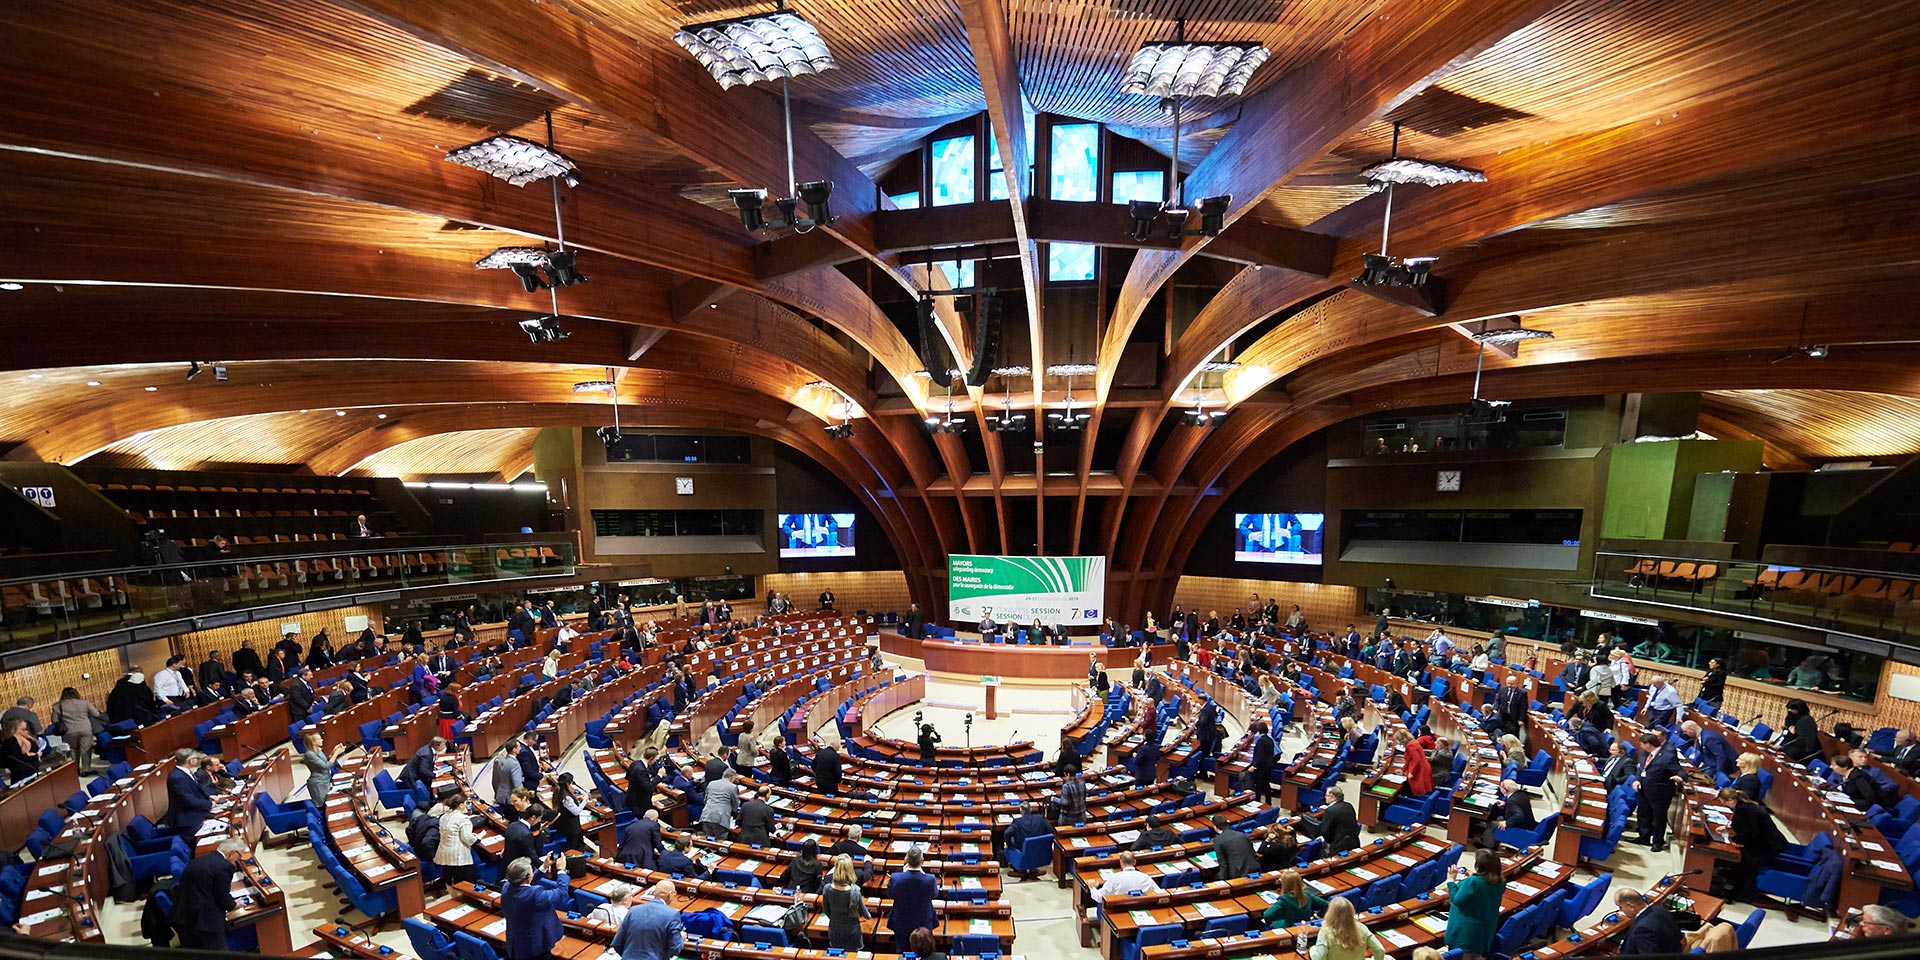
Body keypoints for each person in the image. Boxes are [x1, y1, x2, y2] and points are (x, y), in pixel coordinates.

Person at [171, 837, 249, 949]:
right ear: (232, 853)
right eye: (239, 856)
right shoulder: (224, 867)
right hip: (204, 922)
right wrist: (234, 905)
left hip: (183, 915)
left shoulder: (199, 859)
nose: (238, 860)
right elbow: (222, 897)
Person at [1718, 787, 1785, 900]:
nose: (1725, 806)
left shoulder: (1745, 809)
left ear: (1730, 800)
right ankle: (1733, 880)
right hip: (1762, 841)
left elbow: (1751, 831)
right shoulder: (1744, 805)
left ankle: (1742, 894)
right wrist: (1728, 828)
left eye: (1724, 803)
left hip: (1768, 845)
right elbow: (1746, 825)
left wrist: (1736, 840)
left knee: (1746, 862)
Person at [501, 856, 570, 960]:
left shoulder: (507, 887)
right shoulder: (535, 895)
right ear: (528, 876)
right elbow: (561, 893)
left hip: (516, 944)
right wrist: (561, 870)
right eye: (531, 869)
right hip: (535, 948)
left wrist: (544, 867)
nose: (533, 870)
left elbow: (525, 884)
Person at [1445, 849, 1505, 960]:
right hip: (1484, 930)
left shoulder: (1473, 882)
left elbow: (1457, 900)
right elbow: (1484, 889)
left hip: (1466, 932)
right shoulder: (1500, 881)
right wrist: (1473, 876)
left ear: (1478, 865)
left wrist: (1450, 880)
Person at [1632, 731, 1681, 852]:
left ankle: (1657, 841)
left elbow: (1680, 771)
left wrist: (1680, 778)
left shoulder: (1668, 756)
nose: (1641, 747)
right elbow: (1642, 768)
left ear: (1648, 744)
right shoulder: (1645, 753)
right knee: (1643, 813)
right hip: (1643, 789)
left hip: (1660, 793)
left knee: (1658, 818)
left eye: (1642, 744)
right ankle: (1644, 837)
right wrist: (1637, 780)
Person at [885, 846, 937, 953]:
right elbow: (934, 894)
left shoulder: (895, 878)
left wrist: (903, 873)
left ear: (907, 860)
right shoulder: (930, 879)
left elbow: (890, 894)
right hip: (923, 921)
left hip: (901, 921)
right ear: (922, 861)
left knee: (903, 952)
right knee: (924, 952)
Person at [1310, 896, 1388, 960]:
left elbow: (1318, 958)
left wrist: (1312, 950)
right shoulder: (1362, 928)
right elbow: (1380, 950)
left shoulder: (1326, 932)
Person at [48, 687, 105, 773]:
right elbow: (96, 714)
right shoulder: (85, 703)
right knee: (86, 749)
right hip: (85, 729)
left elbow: (54, 720)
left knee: (74, 750)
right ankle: (86, 770)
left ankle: (75, 769)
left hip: (69, 731)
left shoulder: (57, 706)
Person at [1615, 887, 1682, 955]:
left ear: (1631, 906)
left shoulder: (1642, 929)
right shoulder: (1661, 910)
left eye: (1620, 907)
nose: (1621, 910)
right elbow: (1680, 937)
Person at [824, 855, 871, 950]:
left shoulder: (827, 888)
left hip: (835, 930)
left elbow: (826, 911)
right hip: (852, 932)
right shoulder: (855, 891)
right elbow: (866, 915)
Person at [165, 749, 214, 835]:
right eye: (196, 758)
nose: (197, 760)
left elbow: (195, 790)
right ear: (190, 761)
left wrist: (209, 796)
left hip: (195, 813)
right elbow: (189, 800)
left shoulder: (185, 772)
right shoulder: (178, 777)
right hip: (187, 820)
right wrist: (209, 804)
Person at [1262, 868, 1328, 928]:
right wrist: (1317, 917)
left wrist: (1273, 922)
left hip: (1288, 927)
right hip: (1305, 925)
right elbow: (1327, 905)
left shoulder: (1284, 899)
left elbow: (1267, 915)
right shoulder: (1307, 894)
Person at [435, 801, 479, 888]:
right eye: (466, 803)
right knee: (467, 883)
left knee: (450, 881)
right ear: (461, 805)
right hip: (459, 856)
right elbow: (467, 838)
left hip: (445, 854)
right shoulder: (463, 819)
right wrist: (477, 839)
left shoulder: (443, 817)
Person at [1483, 778, 1536, 848]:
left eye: (1500, 787)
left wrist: (1507, 823)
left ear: (1506, 790)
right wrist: (1505, 804)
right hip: (1528, 824)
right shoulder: (1521, 794)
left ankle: (1487, 847)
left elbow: (1519, 815)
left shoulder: (1512, 801)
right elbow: (1519, 804)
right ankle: (1493, 840)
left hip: (1521, 827)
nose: (1500, 788)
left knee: (1492, 824)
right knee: (1499, 817)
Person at [1091, 850, 1161, 902]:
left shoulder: (1114, 878)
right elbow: (1159, 893)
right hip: (1143, 907)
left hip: (1118, 910)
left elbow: (1099, 898)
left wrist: (1092, 888)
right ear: (1134, 862)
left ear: (1121, 862)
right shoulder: (1146, 877)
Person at [1004, 802, 1055, 869]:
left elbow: (1007, 833)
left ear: (1020, 811)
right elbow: (1051, 831)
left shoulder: (1017, 822)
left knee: (1010, 842)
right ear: (1031, 810)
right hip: (1041, 852)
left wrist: (1009, 845)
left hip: (1023, 853)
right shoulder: (1040, 818)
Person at [300, 730, 348, 801]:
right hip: (318, 784)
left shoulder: (317, 750)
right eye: (319, 739)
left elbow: (325, 761)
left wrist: (333, 752)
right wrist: (336, 754)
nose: (322, 740)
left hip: (325, 780)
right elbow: (326, 766)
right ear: (313, 742)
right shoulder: (309, 755)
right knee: (324, 804)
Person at [1211, 815, 1258, 880]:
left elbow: (1223, 863)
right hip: (1255, 868)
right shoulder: (1242, 834)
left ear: (1215, 827)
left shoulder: (1218, 840)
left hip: (1238, 873)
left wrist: (1222, 881)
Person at [1318, 787, 1361, 854]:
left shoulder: (1330, 811)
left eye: (1327, 795)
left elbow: (1325, 832)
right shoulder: (1349, 805)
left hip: (1338, 847)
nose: (1325, 797)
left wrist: (1328, 842)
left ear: (1333, 797)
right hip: (1354, 843)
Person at [700, 768, 740, 839]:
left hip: (706, 814)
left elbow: (705, 799)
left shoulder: (711, 783)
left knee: (708, 839)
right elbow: (736, 804)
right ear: (732, 778)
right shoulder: (733, 787)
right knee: (720, 841)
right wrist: (733, 812)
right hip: (720, 818)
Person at [1396, 728, 1434, 795]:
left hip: (1420, 769)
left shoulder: (1411, 746)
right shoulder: (1413, 742)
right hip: (1420, 767)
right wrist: (1403, 770)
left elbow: (1416, 760)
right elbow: (1409, 760)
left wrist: (1412, 772)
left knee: (1416, 789)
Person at [1249, 720, 1277, 803]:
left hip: (1261, 768)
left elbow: (1259, 756)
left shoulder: (1260, 741)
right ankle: (1268, 801)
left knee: (1258, 786)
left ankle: (1257, 801)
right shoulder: (1270, 740)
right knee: (1266, 785)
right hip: (1269, 765)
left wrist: (1254, 766)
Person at [493, 740, 526, 807]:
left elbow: (495, 780)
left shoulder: (502, 760)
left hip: (501, 796)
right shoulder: (514, 764)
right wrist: (524, 796)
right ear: (514, 749)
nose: (520, 748)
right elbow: (517, 783)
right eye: (519, 747)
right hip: (511, 799)